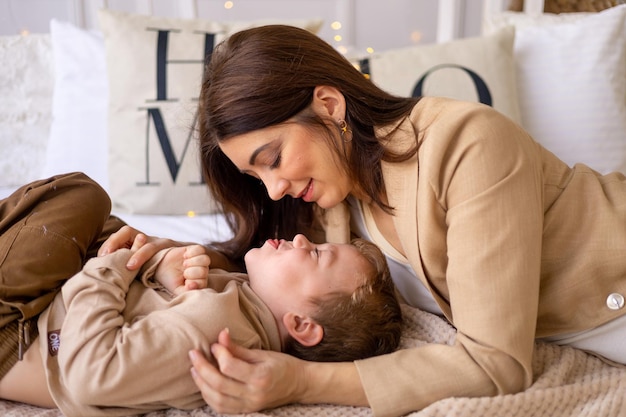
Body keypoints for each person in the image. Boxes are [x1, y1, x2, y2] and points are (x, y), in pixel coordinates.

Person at [100, 24, 626, 417]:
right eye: (256, 177)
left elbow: (498, 365)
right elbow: (264, 267)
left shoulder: (467, 145)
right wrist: (165, 253)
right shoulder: (333, 192)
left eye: (274, 158)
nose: (274, 188)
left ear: (329, 105)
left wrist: (302, 382)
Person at [0, 172, 402, 416]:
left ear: (300, 324)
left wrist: (116, 265)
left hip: (18, 337)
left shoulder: (218, 329)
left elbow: (92, 377)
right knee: (112, 225)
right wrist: (161, 264)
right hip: (49, 309)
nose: (300, 238)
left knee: (80, 196)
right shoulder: (245, 300)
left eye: (315, 254)